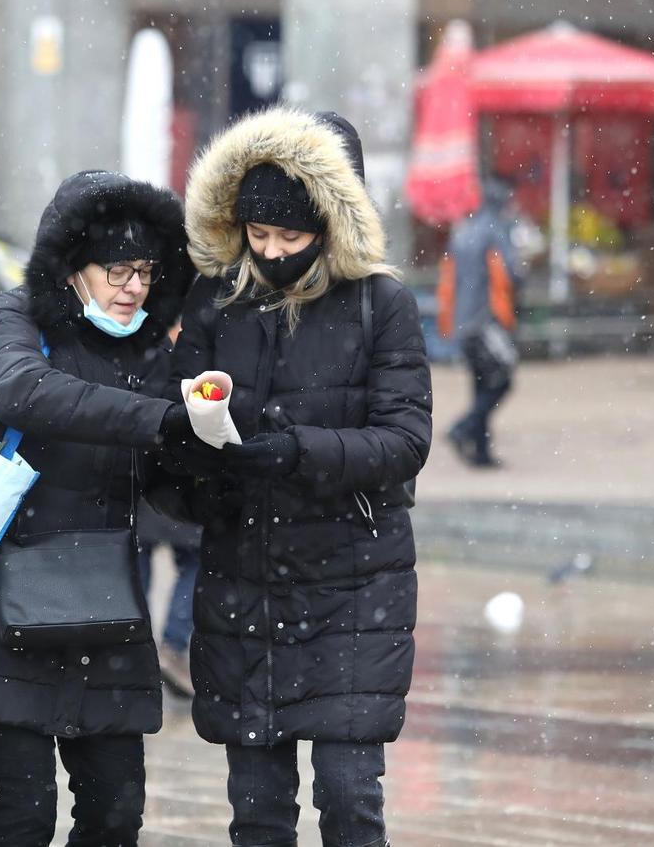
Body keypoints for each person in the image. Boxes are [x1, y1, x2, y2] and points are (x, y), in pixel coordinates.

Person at [0, 170, 195, 845]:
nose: (134, 287)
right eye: (117, 270)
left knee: (116, 810)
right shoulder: (15, 316)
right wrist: (157, 416)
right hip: (7, 601)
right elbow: (19, 390)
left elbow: (168, 475)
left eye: (144, 271)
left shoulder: (150, 346)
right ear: (70, 268)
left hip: (106, 609)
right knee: (21, 810)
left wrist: (209, 442)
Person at [161, 107, 433, 847]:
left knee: (349, 800)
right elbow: (177, 425)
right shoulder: (216, 301)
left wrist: (298, 450)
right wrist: (204, 456)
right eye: (259, 235)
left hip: (355, 583)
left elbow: (406, 439)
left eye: (291, 235)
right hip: (245, 582)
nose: (273, 251)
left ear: (331, 225)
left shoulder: (383, 306)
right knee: (257, 810)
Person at [446, 175, 522, 468]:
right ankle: (463, 428)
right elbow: (512, 272)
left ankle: (480, 451)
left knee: (480, 383)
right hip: (486, 321)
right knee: (503, 379)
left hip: (461, 322)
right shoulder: (495, 230)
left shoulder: (464, 231)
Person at [134, 500, 200, 697]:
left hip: (142, 499)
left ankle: (131, 641)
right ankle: (171, 647)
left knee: (134, 567)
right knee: (194, 564)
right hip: (182, 499)